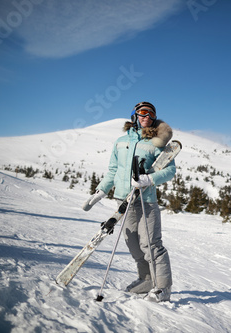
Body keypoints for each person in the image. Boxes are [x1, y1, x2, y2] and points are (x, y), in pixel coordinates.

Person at [83, 101, 176, 302]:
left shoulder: (156, 143)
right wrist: (101, 190)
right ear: (134, 115)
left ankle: (163, 287)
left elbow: (170, 170)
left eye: (151, 115)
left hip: (146, 200)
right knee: (133, 244)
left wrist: (149, 179)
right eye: (142, 113)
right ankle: (146, 279)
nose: (146, 117)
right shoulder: (120, 141)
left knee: (151, 244)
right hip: (123, 200)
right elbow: (113, 170)